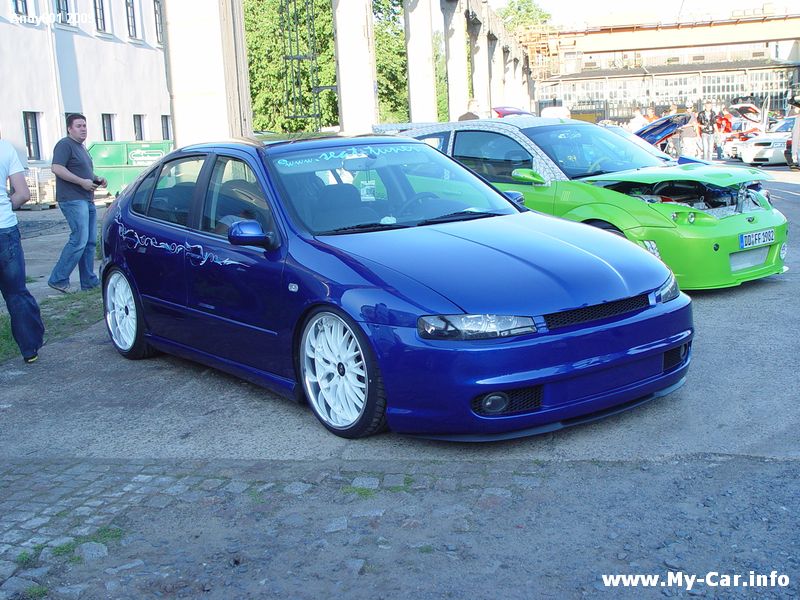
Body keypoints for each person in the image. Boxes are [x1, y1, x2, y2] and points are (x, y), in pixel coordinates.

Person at [48, 114, 106, 294]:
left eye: (85, 126)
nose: (83, 129)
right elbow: (57, 168)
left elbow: (83, 171)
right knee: (79, 239)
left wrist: (96, 178)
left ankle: (88, 281)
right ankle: (58, 279)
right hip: (72, 199)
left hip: (87, 198)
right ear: (69, 129)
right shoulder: (65, 144)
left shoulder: (81, 147)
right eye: (79, 126)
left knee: (89, 242)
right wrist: (82, 182)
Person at [0, 139, 45, 363]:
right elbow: (24, 194)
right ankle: (30, 349)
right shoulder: (5, 147)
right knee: (16, 292)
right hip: (5, 229)